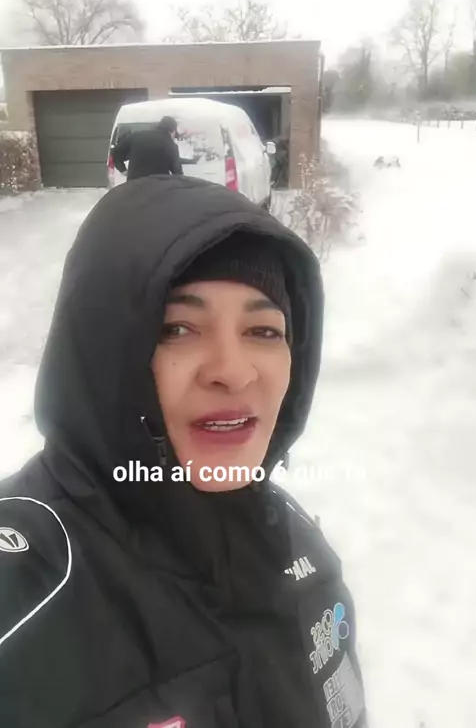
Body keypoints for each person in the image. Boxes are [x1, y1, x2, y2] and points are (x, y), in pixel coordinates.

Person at [0, 176, 368, 728]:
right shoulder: (27, 587)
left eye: (264, 331)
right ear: (102, 351)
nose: (233, 371)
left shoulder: (297, 545)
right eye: (177, 328)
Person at [112, 115, 183, 180]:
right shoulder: (170, 144)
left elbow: (116, 153)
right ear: (172, 131)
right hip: (157, 186)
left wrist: (123, 169)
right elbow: (177, 173)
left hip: (135, 184)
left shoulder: (137, 136)